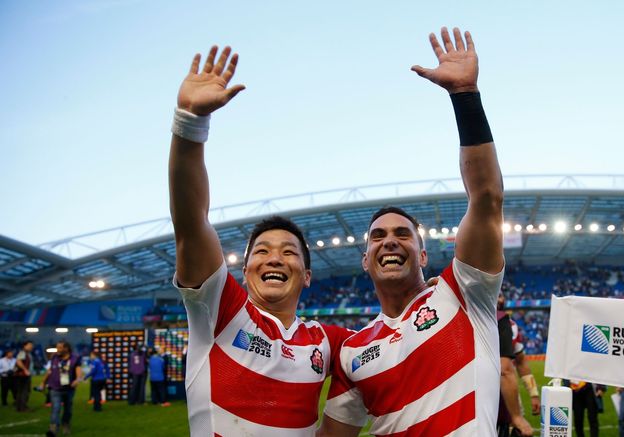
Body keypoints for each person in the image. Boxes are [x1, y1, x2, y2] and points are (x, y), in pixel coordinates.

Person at [320, 27, 525, 436]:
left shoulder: (465, 294)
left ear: (424, 254)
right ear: (365, 260)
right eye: (377, 236)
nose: (390, 240)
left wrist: (465, 96)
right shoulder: (354, 353)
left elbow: (486, 196)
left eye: (402, 234)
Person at [168, 45, 353, 435]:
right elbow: (190, 222)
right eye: (262, 251)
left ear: (306, 275)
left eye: (289, 253)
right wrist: (190, 124)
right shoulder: (219, 311)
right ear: (244, 266)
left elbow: (390, 350)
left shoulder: (325, 340)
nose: (274, 259)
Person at [498, 309, 534, 436]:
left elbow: (521, 362)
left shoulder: (510, 325)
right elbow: (506, 369)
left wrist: (534, 394)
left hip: (507, 389)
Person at [41, 341, 82, 436]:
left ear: (66, 348)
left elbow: (79, 372)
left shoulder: (75, 359)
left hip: (69, 389)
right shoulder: (54, 357)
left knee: (68, 409)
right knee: (55, 408)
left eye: (59, 347)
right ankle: (53, 429)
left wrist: (77, 380)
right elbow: (49, 371)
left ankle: (66, 424)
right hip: (55, 388)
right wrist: (43, 382)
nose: (57, 349)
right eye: (57, 347)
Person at [14, 340, 33, 412]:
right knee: (24, 391)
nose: (31, 347)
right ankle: (23, 407)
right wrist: (25, 370)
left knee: (21, 391)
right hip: (23, 375)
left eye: (31, 346)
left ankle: (19, 407)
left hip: (22, 375)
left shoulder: (27, 353)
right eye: (29, 345)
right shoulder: (23, 352)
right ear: (24, 346)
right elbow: (18, 361)